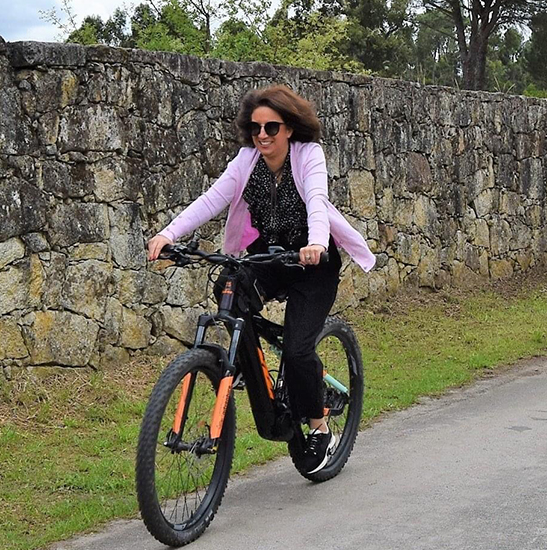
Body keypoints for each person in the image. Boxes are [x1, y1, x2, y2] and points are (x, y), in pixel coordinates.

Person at [146, 84, 376, 475]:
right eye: (255, 128)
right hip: (268, 256)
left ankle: (319, 426)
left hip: (312, 264)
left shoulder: (308, 155)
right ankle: (249, 367)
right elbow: (211, 199)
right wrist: (169, 234)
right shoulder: (246, 161)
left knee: (298, 350)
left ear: (289, 129)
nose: (262, 135)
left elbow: (316, 200)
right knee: (229, 286)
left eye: (271, 127)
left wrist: (316, 243)